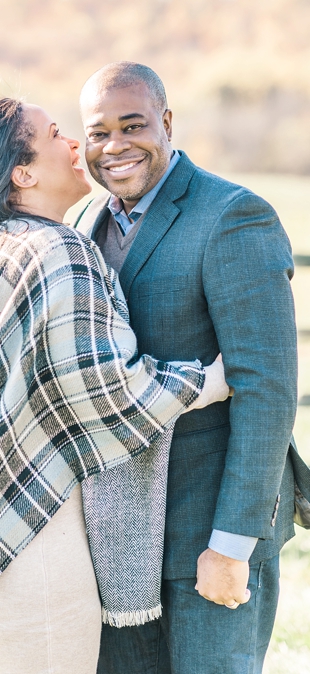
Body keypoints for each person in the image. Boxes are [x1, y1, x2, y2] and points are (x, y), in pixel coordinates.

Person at [0, 98, 232, 673]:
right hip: (32, 532)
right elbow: (107, 391)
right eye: (57, 134)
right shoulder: (57, 250)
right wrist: (208, 381)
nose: (76, 145)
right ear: (24, 173)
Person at [74, 61, 310, 674]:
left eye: (133, 125)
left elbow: (268, 390)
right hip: (117, 536)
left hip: (206, 529)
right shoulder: (81, 224)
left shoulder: (231, 216)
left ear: (167, 122)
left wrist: (232, 545)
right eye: (98, 133)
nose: (115, 146)